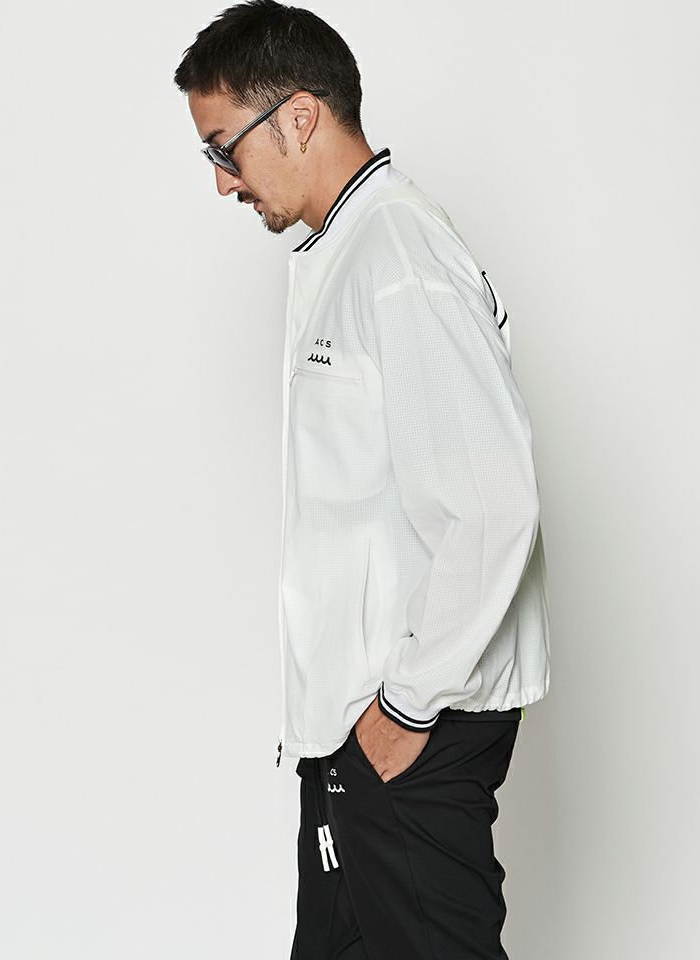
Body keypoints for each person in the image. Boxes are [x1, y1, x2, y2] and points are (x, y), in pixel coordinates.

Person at [174, 3, 551, 957]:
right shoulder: (348, 253)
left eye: (224, 148)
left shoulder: (399, 259)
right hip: (357, 740)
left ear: (298, 117)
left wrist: (402, 710)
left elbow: (493, 505)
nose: (221, 181)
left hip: (407, 735)